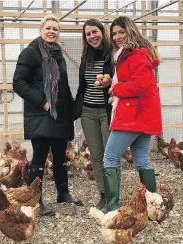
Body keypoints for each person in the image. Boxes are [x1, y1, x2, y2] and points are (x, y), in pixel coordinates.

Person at [13, 15, 82, 216]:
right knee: (39, 158)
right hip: (41, 114)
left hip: (59, 114)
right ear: (41, 29)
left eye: (55, 29)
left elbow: (63, 86)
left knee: (60, 156)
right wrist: (41, 102)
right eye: (48, 28)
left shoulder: (58, 54)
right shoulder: (30, 53)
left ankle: (63, 192)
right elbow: (18, 82)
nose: (52, 31)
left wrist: (71, 108)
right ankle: (36, 200)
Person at [103, 16, 163, 212]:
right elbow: (134, 79)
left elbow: (142, 85)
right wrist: (112, 83)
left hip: (133, 115)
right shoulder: (128, 55)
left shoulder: (135, 55)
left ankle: (112, 209)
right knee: (141, 160)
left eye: (122, 32)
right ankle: (152, 207)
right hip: (142, 115)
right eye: (114, 33)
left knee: (110, 157)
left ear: (131, 31)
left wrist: (117, 89)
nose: (118, 36)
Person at [73, 19, 120, 211]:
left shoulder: (113, 55)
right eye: (88, 34)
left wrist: (110, 84)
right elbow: (83, 86)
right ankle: (103, 194)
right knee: (96, 155)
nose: (92, 36)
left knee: (111, 155)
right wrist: (75, 108)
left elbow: (120, 80)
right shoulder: (86, 56)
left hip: (107, 111)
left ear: (102, 32)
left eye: (95, 32)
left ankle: (114, 196)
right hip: (88, 112)